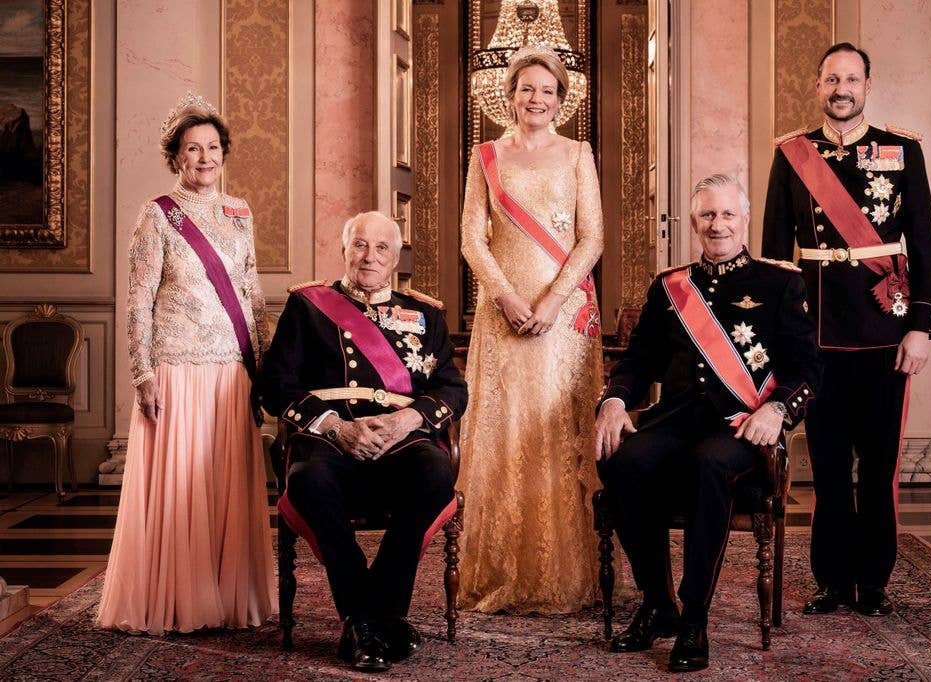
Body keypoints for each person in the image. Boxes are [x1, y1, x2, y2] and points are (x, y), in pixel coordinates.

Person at [596, 175, 821, 673]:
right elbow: (638, 361)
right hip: (676, 420)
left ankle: (695, 614)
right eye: (707, 216)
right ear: (694, 223)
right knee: (624, 462)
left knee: (708, 465)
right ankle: (659, 605)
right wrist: (613, 401)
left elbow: (807, 369)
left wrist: (778, 409)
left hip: (742, 427)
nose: (717, 225)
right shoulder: (670, 287)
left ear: (744, 221)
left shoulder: (780, 283)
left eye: (727, 215)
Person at [762, 42, 931, 618]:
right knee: (829, 462)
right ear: (818, 86)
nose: (842, 89)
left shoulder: (903, 150)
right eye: (832, 79)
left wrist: (922, 326)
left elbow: (925, 245)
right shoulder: (792, 155)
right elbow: (772, 255)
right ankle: (832, 581)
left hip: (886, 330)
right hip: (815, 333)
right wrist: (778, 335)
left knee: (880, 463)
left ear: (868, 85)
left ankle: (875, 581)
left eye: (852, 79)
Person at [97, 93, 275, 634]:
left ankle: (227, 596)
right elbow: (137, 301)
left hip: (231, 371)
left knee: (223, 485)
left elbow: (252, 291)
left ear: (225, 153)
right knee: (183, 489)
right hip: (176, 372)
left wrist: (261, 367)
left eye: (213, 148)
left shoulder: (239, 212)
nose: (204, 158)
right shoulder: (157, 215)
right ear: (174, 157)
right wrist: (143, 373)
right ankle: (177, 600)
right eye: (192, 149)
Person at [259, 211, 468, 672]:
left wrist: (407, 421)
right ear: (344, 249)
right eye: (359, 245)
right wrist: (335, 427)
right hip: (330, 442)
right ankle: (378, 618)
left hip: (400, 443)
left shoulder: (425, 314)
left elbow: (452, 389)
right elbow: (275, 385)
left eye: (380, 248)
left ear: (396, 258)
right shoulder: (308, 306)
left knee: (436, 473)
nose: (368, 257)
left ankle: (365, 618)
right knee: (308, 479)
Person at [457, 45, 605, 614]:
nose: (536, 99)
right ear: (509, 96)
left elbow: (591, 238)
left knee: (553, 432)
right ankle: (499, 571)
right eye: (526, 89)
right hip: (503, 314)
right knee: (506, 432)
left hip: (564, 318)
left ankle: (561, 575)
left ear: (561, 100)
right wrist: (509, 297)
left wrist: (550, 301)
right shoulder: (486, 156)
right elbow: (473, 237)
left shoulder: (577, 154)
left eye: (547, 90)